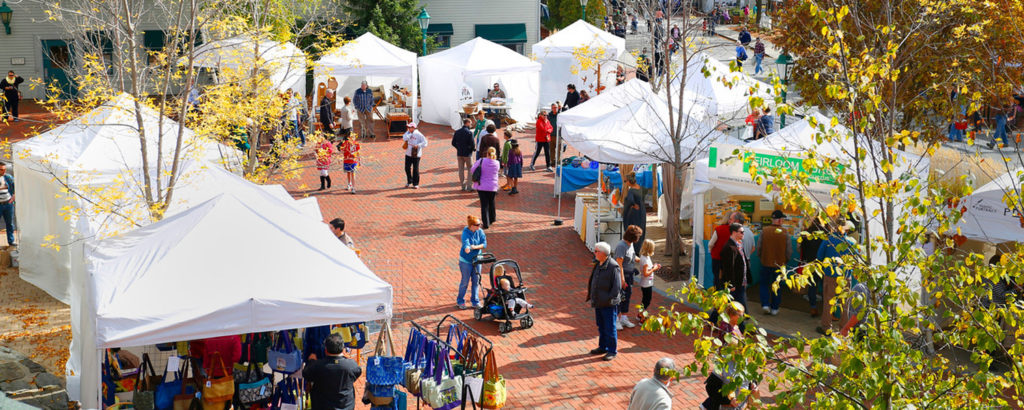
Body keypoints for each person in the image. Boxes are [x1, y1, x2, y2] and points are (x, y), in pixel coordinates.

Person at [702, 302, 758, 410]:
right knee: (723, 385)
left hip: (740, 403)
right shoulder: (726, 327)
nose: (741, 317)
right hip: (725, 359)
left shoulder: (743, 361)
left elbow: (749, 376)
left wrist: (753, 384)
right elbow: (711, 387)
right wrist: (728, 401)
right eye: (739, 315)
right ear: (732, 315)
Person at [816, 218, 856, 335]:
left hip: (830, 275)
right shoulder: (851, 242)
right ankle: (844, 329)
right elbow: (855, 260)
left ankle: (826, 328)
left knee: (828, 302)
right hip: (846, 276)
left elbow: (819, 256)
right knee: (846, 304)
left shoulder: (828, 240)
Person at [303, 334, 362, 410]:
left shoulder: (318, 366)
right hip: (346, 406)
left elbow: (306, 374)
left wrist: (311, 361)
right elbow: (357, 372)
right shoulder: (351, 365)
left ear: (326, 350)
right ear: (343, 348)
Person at [586, 241, 622, 361]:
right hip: (599, 302)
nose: (594, 253)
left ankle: (612, 350)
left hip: (608, 304)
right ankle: (603, 346)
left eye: (597, 251)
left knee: (610, 327)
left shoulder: (613, 266)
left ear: (604, 253)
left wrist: (608, 299)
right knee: (601, 326)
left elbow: (616, 288)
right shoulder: (599, 263)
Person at [755, 210, 791, 316]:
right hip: (779, 264)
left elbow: (759, 247)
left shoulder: (764, 231)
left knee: (764, 284)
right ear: (780, 220)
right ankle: (775, 308)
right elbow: (789, 250)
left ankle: (765, 304)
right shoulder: (785, 232)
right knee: (777, 286)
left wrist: (762, 257)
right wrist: (785, 260)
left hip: (766, 262)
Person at [615, 225, 643, 330]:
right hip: (622, 275)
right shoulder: (621, 246)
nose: (639, 239)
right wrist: (622, 279)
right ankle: (616, 319)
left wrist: (643, 261)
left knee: (627, 296)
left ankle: (624, 318)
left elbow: (633, 257)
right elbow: (619, 264)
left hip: (630, 275)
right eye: (638, 237)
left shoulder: (630, 245)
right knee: (620, 297)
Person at [709, 212, 746, 290]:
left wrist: (711, 251)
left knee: (717, 277)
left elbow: (710, 244)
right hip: (730, 258)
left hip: (717, 258)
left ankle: (718, 295)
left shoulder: (719, 229)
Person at [719, 223, 751, 310]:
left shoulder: (739, 244)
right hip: (734, 283)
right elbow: (728, 268)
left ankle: (743, 318)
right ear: (734, 232)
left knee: (740, 303)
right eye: (741, 232)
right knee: (730, 304)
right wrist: (731, 284)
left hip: (741, 281)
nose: (743, 234)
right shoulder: (729, 247)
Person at [458, 215, 487, 309]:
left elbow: (484, 244)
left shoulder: (480, 231)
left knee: (476, 281)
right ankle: (460, 301)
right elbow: (465, 242)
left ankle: (475, 301)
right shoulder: (465, 232)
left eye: (480, 224)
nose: (480, 226)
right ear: (472, 225)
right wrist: (467, 248)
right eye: (478, 224)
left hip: (477, 259)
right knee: (465, 282)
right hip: (466, 261)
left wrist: (474, 247)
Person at [801, 218, 826, 317]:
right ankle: (826, 309)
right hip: (823, 263)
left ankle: (813, 307)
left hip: (810, 263)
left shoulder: (807, 233)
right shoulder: (825, 235)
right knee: (825, 286)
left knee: (812, 285)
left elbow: (803, 248)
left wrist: (804, 260)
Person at [472, 147, 501, 229]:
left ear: (487, 153)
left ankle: (486, 223)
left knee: (484, 205)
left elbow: (472, 169)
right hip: (493, 186)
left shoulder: (481, 161)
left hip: (482, 186)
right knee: (491, 202)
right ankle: (492, 218)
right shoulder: (497, 163)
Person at [621, 174, 647, 254]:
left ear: (629, 181)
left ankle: (634, 250)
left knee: (633, 229)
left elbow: (630, 200)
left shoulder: (631, 190)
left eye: (626, 181)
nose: (625, 183)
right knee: (641, 228)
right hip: (642, 211)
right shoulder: (641, 188)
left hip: (634, 212)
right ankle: (639, 248)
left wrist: (632, 204)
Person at [637, 239, 660, 321]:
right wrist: (654, 269)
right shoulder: (646, 260)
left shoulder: (644, 257)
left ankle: (640, 314)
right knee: (647, 300)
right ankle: (643, 317)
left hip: (645, 282)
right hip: (647, 283)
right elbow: (646, 273)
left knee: (644, 300)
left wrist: (653, 266)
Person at [452, 118, 476, 191]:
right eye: (471, 123)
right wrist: (471, 150)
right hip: (467, 154)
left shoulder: (457, 132)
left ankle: (462, 186)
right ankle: (469, 186)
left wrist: (458, 148)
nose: (471, 125)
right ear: (467, 123)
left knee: (461, 170)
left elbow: (453, 143)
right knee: (470, 169)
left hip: (459, 153)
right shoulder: (469, 133)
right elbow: (472, 144)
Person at [402, 122, 427, 189]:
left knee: (415, 169)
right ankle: (409, 181)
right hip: (408, 153)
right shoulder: (408, 133)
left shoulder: (418, 134)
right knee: (407, 168)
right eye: (408, 127)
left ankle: (415, 183)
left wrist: (418, 145)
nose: (408, 128)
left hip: (416, 154)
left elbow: (425, 142)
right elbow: (404, 138)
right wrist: (409, 135)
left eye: (409, 127)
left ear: (413, 128)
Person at [0, 163, 14, 247]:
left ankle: (11, 241)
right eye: (1, 169)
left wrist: (14, 195)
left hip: (8, 203)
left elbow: (15, 184)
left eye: (4, 169)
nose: (4, 171)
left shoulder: (8, 177)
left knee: (10, 224)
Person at [546, 104, 560, 169]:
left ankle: (558, 161)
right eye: (553, 108)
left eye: (556, 107)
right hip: (551, 135)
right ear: (551, 108)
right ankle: (552, 161)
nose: (555, 109)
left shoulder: (560, 115)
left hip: (558, 135)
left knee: (559, 149)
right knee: (551, 149)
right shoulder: (549, 115)